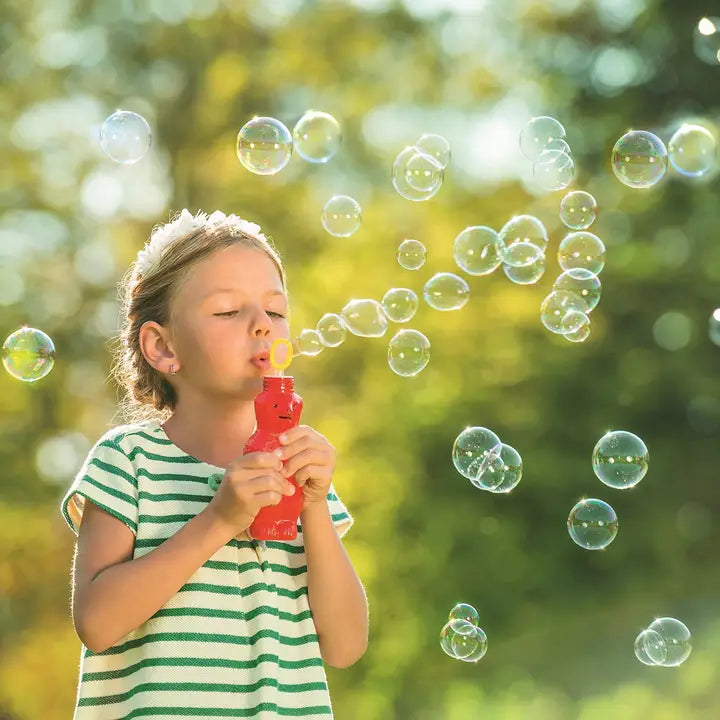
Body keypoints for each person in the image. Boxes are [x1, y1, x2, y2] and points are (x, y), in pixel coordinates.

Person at [60, 209, 368, 719]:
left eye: (275, 310)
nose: (262, 325)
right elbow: (97, 623)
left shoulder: (299, 468)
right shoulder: (129, 461)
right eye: (227, 311)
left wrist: (313, 507)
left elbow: (345, 646)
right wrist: (221, 519)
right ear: (162, 346)